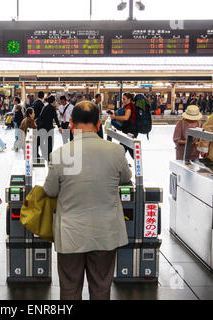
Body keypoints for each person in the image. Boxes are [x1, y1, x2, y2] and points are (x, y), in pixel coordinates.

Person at [43, 101, 131, 300]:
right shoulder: (116, 151)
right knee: (101, 288)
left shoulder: (59, 154)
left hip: (70, 234)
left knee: (70, 288)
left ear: (72, 124)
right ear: (98, 124)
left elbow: (50, 190)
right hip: (105, 233)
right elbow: (125, 179)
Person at [110, 92, 138, 158]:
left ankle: (137, 164)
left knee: (124, 149)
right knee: (125, 149)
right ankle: (136, 164)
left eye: (124, 99)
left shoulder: (129, 107)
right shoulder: (129, 106)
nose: (123, 100)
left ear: (129, 99)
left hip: (130, 131)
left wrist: (114, 117)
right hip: (129, 131)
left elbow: (126, 117)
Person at [36, 94, 60, 161]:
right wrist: (59, 126)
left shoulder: (44, 107)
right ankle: (48, 156)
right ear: (54, 101)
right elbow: (55, 118)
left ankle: (37, 154)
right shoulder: (52, 108)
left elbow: (41, 117)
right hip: (49, 128)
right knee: (49, 142)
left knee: (41, 141)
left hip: (42, 127)